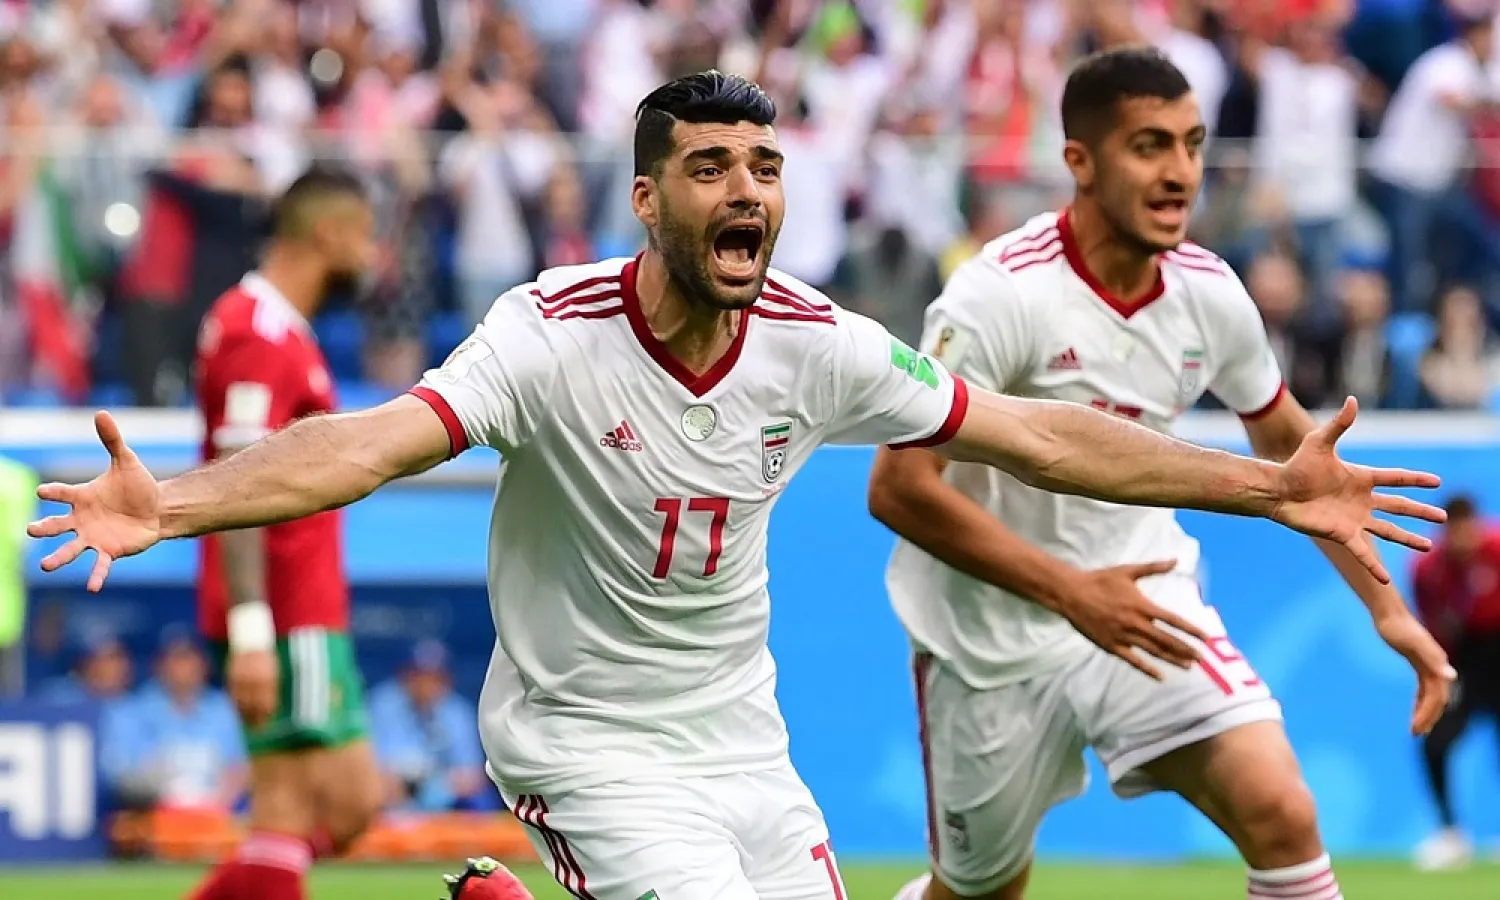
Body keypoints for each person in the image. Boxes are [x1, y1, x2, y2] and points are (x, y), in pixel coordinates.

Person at [29, 71, 1448, 900]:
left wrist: (1269, 488)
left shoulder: (815, 343)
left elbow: (1036, 435)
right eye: (709, 168)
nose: (747, 190)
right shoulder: (547, 333)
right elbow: (369, 443)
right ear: (647, 200)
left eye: (764, 166)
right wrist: (174, 504)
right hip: (584, 741)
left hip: (746, 749)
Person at [867, 48, 1457, 900]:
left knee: (1282, 813)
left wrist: (1391, 613)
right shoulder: (998, 295)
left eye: (1192, 144)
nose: (1180, 172)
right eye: (1149, 146)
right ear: (1080, 161)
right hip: (988, 639)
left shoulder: (1208, 292)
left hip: (1149, 607)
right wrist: (1071, 593)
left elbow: (1299, 468)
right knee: (979, 892)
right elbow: (898, 487)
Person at [184, 165, 386, 900]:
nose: (372, 254)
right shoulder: (258, 331)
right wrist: (250, 630)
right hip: (281, 610)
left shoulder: (278, 329)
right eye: (364, 236)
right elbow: (237, 478)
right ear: (328, 233)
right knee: (299, 808)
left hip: (303, 608)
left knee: (341, 807)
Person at [1411, 494, 1500, 871]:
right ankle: (1450, 833)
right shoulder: (1427, 569)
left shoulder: (1497, 550)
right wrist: (1437, 673)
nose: (1461, 541)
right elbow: (1432, 625)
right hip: (1463, 660)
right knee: (1434, 742)